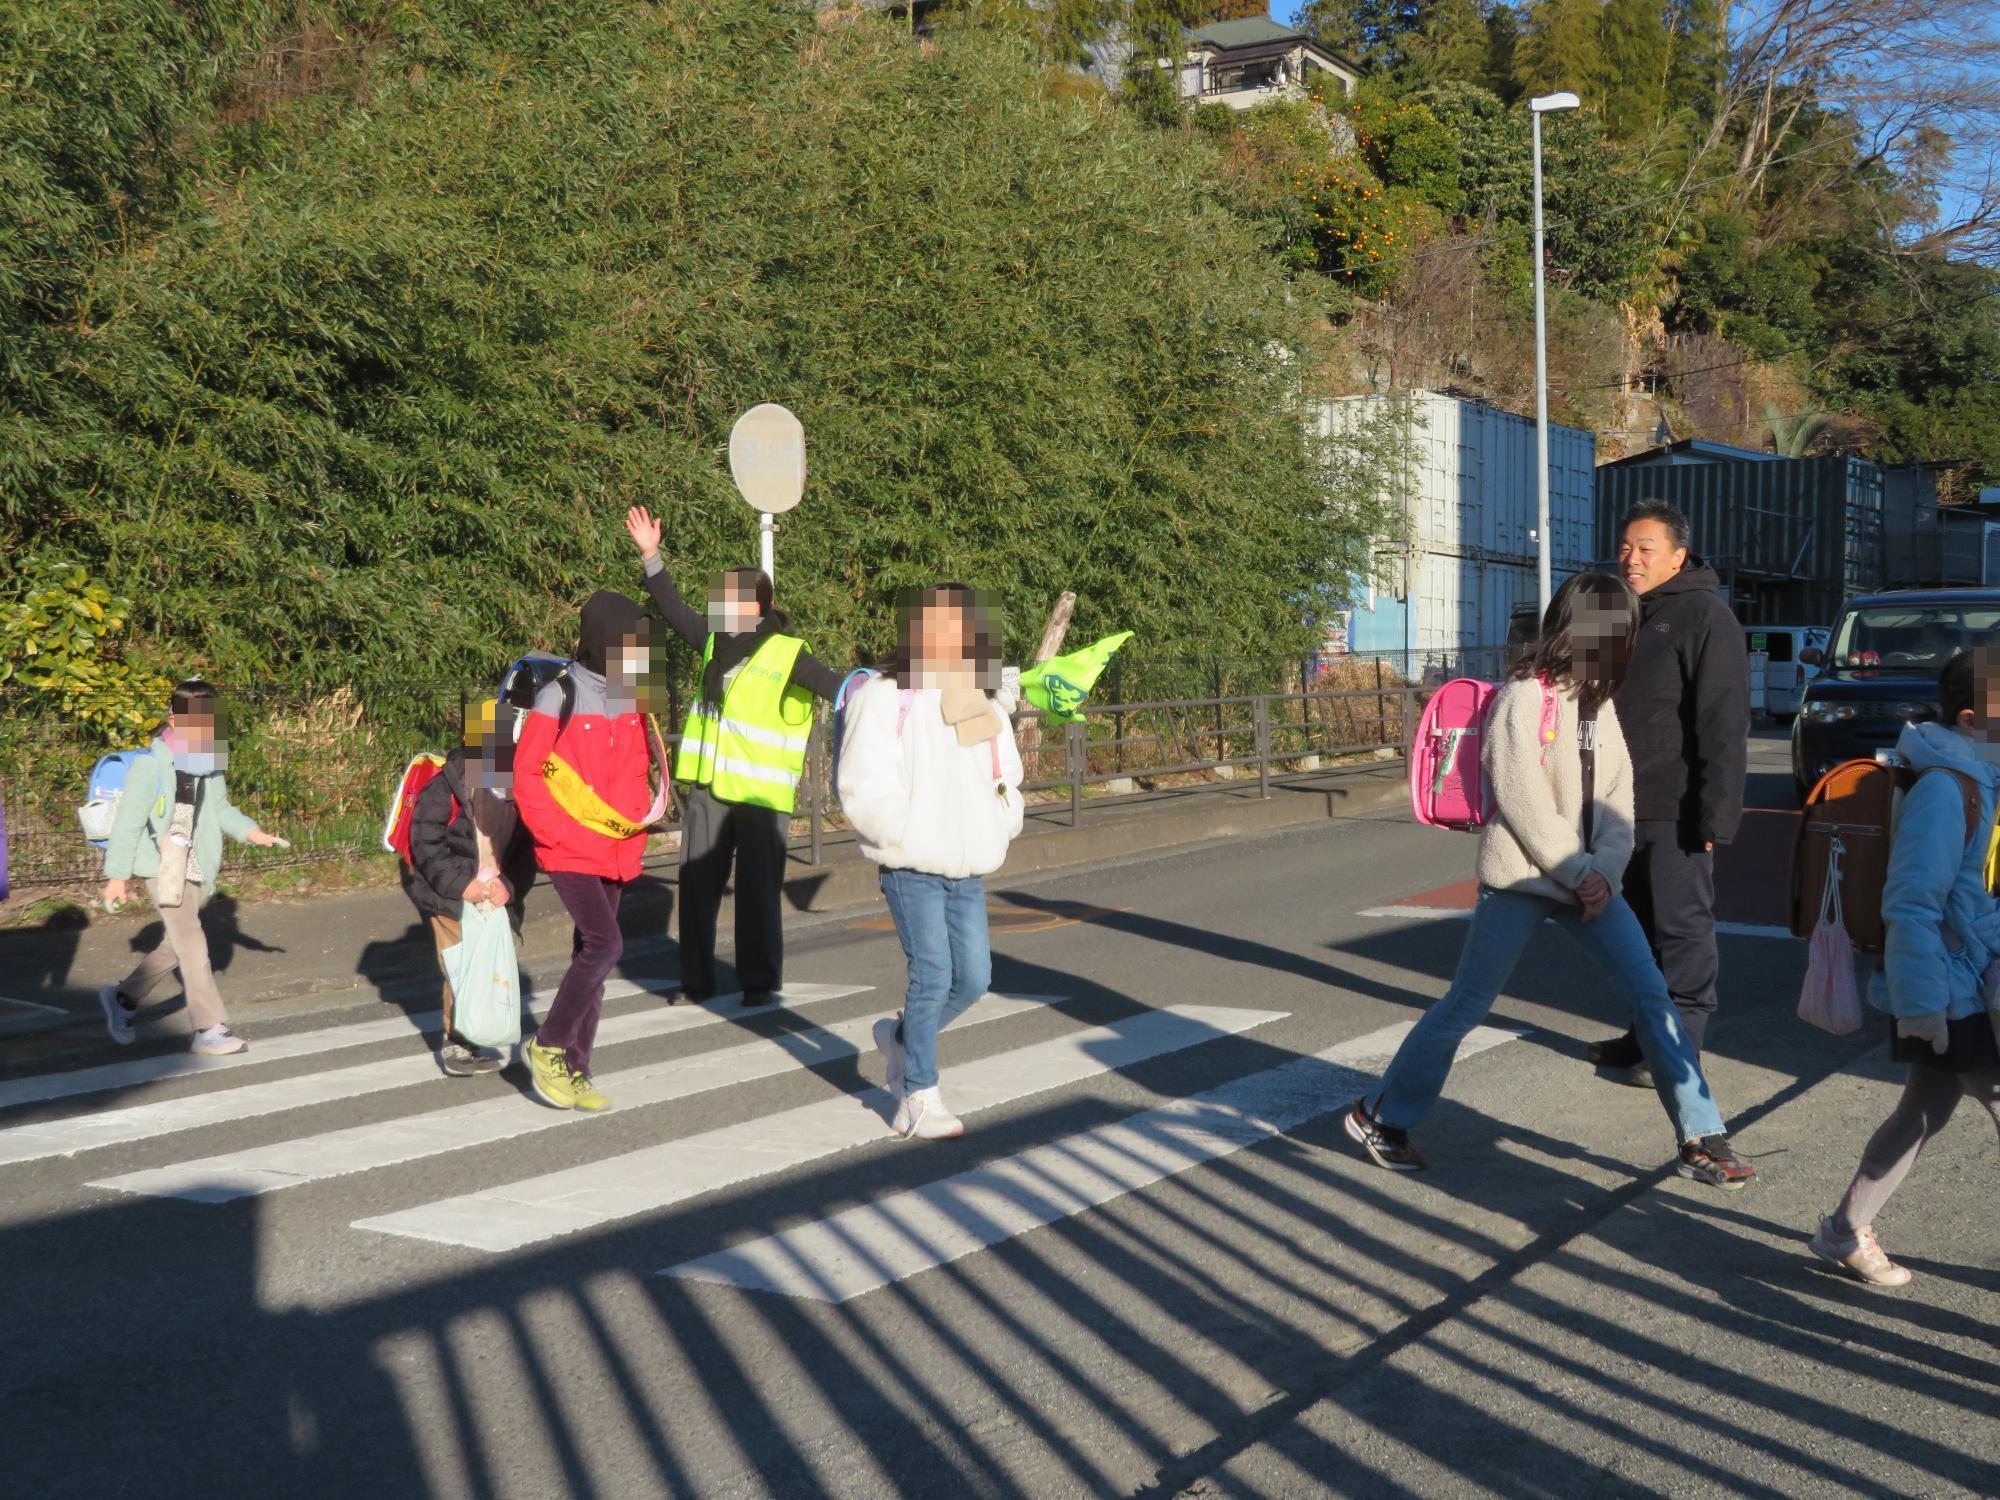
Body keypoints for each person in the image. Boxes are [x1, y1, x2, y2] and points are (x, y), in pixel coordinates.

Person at [1346, 572, 1754, 1189]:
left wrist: (1604, 873)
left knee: (1653, 998)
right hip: (1521, 881)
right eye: (1621, 631)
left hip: (1593, 885)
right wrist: (1580, 872)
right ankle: (1382, 1115)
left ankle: (1702, 1136)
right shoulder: (1523, 698)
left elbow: (1622, 796)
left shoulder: (1600, 703)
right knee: (1466, 1005)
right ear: (1590, 630)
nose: (1628, 643)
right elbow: (1521, 797)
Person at [1811, 649, 2000, 1286]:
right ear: (1973, 718)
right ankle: (1843, 1231)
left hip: (1960, 979)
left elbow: (1970, 897)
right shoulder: (1947, 789)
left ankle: (1843, 1230)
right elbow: (1912, 903)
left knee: (1925, 1108)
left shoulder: (1974, 775)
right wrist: (1922, 1009)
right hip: (1948, 989)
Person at [624, 505, 843, 1007]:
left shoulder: (789, 653)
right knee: (697, 884)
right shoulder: (712, 641)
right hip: (708, 787)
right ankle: (696, 980)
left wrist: (886, 690)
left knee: (757, 891)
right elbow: (674, 609)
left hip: (761, 794)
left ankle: (759, 983)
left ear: (759, 605)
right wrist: (652, 556)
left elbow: (836, 687)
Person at [837, 584, 1025, 1140]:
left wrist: (1003, 817)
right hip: (911, 862)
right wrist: (898, 832)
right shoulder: (886, 695)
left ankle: (897, 1040)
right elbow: (862, 780)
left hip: (966, 866)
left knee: (974, 980)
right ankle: (917, 1094)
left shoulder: (981, 699)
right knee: (932, 975)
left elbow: (1004, 772)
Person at [1587, 500, 1749, 1088]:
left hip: (1674, 804)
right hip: (1616, 804)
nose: (1630, 559)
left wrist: (1715, 813)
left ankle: (1680, 1056)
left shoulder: (1705, 616)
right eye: (1625, 547)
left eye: (1645, 549)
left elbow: (1724, 721)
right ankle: (1642, 1036)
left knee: (1681, 933)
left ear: (1678, 556)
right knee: (1634, 931)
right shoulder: (1622, 611)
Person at [513, 591, 669, 1111]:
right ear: (603, 640)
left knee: (591, 958)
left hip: (616, 846)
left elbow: (633, 769)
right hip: (569, 847)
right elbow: (527, 771)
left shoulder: (632, 695)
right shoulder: (558, 694)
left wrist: (645, 812)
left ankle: (576, 1068)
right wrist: (552, 833)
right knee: (606, 947)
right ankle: (549, 1046)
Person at [98, 679, 287, 1054]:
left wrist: (255, 834)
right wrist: (117, 876)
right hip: (161, 864)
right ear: (174, 718)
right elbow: (129, 823)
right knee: (193, 944)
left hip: (198, 861)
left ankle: (123, 998)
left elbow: (221, 810)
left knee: (176, 945)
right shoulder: (150, 767)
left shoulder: (208, 762)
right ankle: (209, 1028)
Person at [402, 697, 538, 1076]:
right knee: (460, 968)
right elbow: (424, 842)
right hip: (450, 897)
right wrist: (462, 886)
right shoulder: (446, 783)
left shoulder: (520, 785)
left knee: (486, 967)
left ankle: (477, 1030)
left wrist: (508, 886)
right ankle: (456, 1042)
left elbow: (528, 850)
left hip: (495, 897)